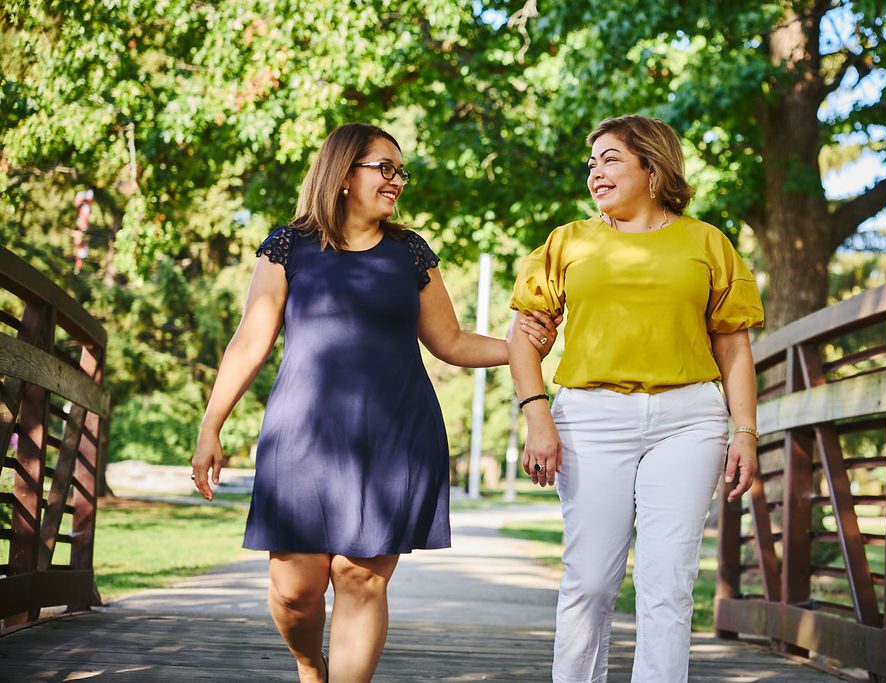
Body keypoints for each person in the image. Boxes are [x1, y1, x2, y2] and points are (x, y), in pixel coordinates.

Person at [191, 123, 559, 683]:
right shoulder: (289, 245)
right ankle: (310, 664)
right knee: (295, 593)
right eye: (383, 168)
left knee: (360, 579)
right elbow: (251, 339)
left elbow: (450, 342)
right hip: (302, 436)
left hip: (395, 437)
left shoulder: (410, 253)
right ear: (342, 175)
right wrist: (211, 425)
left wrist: (524, 349)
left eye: (399, 170)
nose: (396, 180)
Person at [508, 114, 764, 683]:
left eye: (611, 158)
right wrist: (537, 417)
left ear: (653, 166)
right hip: (590, 418)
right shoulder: (567, 242)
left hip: (689, 420)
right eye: (591, 162)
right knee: (591, 580)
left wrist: (744, 430)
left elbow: (735, 347)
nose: (595, 172)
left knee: (667, 582)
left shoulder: (707, 242)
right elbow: (522, 344)